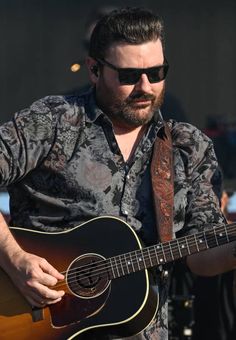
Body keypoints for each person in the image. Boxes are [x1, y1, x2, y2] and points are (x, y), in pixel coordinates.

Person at [0, 7, 234, 340]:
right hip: (32, 321)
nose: (145, 87)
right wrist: (14, 258)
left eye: (156, 72)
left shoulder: (188, 147)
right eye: (128, 75)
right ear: (94, 69)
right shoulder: (53, 122)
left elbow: (201, 257)